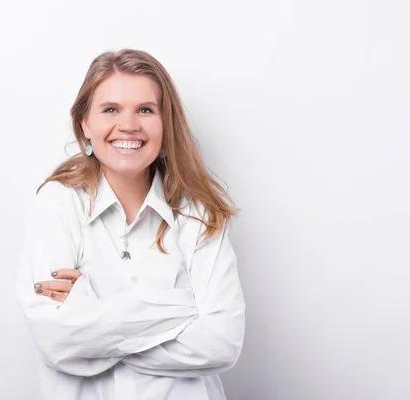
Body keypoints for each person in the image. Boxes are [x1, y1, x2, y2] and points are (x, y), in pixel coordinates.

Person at [15, 49, 245, 400]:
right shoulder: (58, 203)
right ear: (85, 124)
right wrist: (183, 307)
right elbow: (56, 340)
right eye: (111, 109)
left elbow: (221, 342)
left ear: (165, 123)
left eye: (146, 110)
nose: (129, 125)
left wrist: (95, 327)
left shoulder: (199, 212)